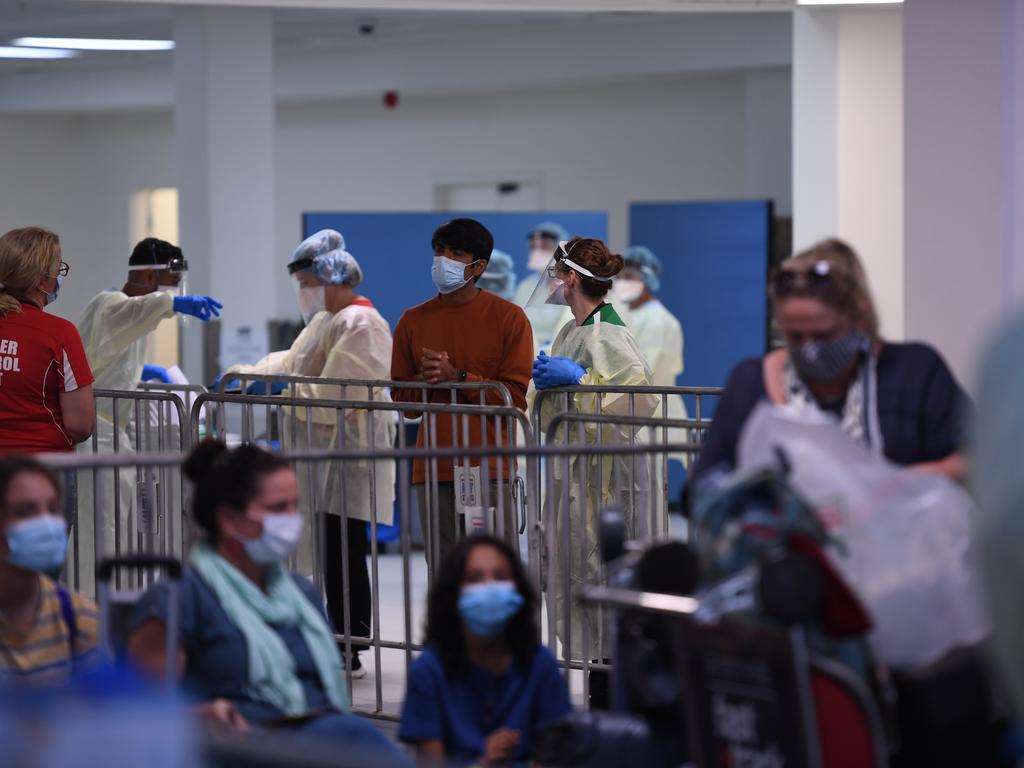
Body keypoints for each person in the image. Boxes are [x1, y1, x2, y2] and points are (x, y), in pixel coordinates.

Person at [127, 440, 407, 762]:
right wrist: (199, 716)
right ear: (229, 519)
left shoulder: (301, 595)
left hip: (319, 744)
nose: (291, 520)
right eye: (277, 509)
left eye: (294, 505)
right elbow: (142, 719)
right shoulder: (177, 602)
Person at [218, 230, 395, 677]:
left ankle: (348, 644)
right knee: (325, 549)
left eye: (306, 282)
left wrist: (281, 390)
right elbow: (293, 361)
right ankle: (324, 635)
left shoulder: (361, 324)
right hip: (323, 458)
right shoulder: (326, 321)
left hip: (350, 457)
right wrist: (246, 373)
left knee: (343, 552)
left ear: (331, 277)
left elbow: (337, 395)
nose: (302, 292)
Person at [691, 238, 969, 485]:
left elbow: (975, 461)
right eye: (795, 336)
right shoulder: (751, 383)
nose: (810, 349)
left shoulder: (915, 373)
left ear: (860, 318)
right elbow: (705, 484)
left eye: (824, 335)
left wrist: (889, 488)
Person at [531, 237, 659, 707]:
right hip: (579, 473)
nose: (552, 285)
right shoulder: (573, 331)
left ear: (570, 279)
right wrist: (544, 388)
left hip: (608, 479)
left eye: (556, 275)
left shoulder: (609, 332)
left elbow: (639, 401)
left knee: (602, 576)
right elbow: (552, 409)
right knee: (579, 575)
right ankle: (598, 693)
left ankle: (611, 702)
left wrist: (580, 381)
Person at [73, 238, 222, 595]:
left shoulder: (127, 315)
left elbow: (106, 363)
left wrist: (142, 374)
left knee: (115, 527)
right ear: (152, 274)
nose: (173, 290)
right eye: (172, 282)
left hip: (112, 433)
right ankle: (96, 608)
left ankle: (116, 604)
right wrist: (174, 303)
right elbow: (134, 314)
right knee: (101, 529)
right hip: (98, 435)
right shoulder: (113, 303)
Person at [391, 219, 533, 569]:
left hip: (488, 467)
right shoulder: (413, 320)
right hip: (432, 466)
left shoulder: (509, 319)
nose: (444, 259)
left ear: (479, 266)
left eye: (456, 253)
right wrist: (427, 383)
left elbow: (512, 400)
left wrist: (460, 378)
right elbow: (403, 400)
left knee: (492, 569)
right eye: (439, 251)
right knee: (443, 572)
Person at [398, 535, 571, 765]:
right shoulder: (429, 671)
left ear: (518, 589)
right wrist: (485, 762)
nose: (489, 588)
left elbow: (556, 757)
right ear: (453, 593)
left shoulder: (540, 665)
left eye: (500, 577)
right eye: (474, 578)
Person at [0, 455, 101, 684]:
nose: (45, 523)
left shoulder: (79, 618)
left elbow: (104, 712)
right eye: (25, 511)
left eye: (53, 509)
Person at [0, 226, 94, 453]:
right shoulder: (59, 333)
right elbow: (80, 425)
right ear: (41, 282)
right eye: (59, 269)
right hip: (43, 469)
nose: (60, 276)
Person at [611, 245, 691, 470]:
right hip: (633, 412)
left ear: (646, 278)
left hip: (652, 412)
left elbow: (645, 370)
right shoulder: (625, 314)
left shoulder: (660, 320)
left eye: (628, 276)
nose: (621, 282)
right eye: (618, 276)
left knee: (650, 489)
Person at [513, 222, 573, 357]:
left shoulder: (573, 285)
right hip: (528, 356)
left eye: (544, 246)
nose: (538, 252)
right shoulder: (525, 287)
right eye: (533, 247)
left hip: (564, 357)